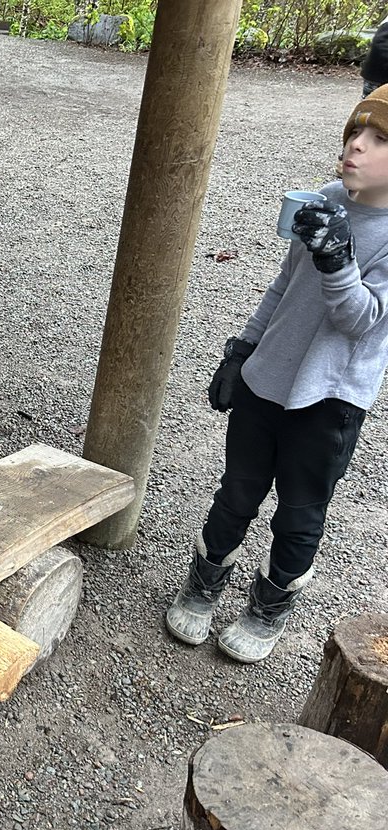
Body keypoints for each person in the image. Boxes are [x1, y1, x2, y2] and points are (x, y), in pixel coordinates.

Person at [165, 85, 388, 664]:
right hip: (269, 379)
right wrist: (243, 349)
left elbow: (361, 321)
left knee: (299, 511)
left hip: (331, 398)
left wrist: (338, 259)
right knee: (237, 491)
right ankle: (204, 581)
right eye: (353, 133)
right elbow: (285, 286)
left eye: (378, 138)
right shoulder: (325, 199)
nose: (355, 147)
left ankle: (269, 606)